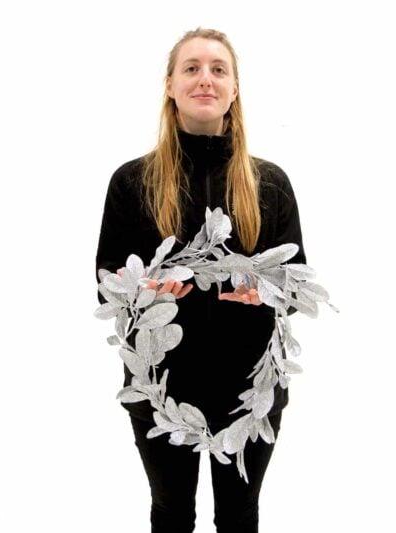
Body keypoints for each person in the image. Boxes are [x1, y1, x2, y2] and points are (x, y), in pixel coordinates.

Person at [95, 27, 306, 533]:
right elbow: (106, 281)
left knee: (239, 517)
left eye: (218, 69)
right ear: (170, 85)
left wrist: (266, 293)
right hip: (161, 389)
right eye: (191, 68)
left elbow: (295, 283)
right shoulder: (132, 182)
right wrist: (141, 293)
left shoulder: (270, 183)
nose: (205, 79)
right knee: (171, 515)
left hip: (250, 393)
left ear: (234, 89)